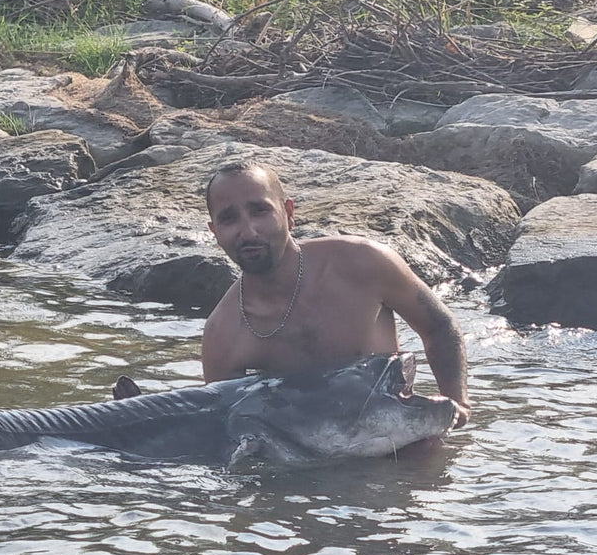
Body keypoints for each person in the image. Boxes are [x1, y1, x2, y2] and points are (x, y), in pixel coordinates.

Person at [200, 160, 470, 428]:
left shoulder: (363, 263)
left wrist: (457, 405)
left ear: (288, 212)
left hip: (400, 441)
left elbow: (439, 326)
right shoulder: (222, 334)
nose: (248, 231)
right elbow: (227, 427)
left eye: (260, 210)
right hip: (308, 455)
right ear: (214, 232)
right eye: (228, 218)